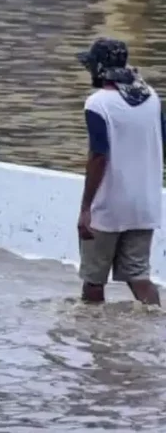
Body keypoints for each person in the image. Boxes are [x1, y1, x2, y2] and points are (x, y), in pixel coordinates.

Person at [76, 37, 162, 306]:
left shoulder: (98, 103)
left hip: (109, 207)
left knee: (93, 281)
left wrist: (86, 207)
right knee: (139, 276)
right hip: (145, 205)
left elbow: (99, 156)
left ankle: (94, 339)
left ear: (98, 69)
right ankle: (157, 328)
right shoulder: (152, 98)